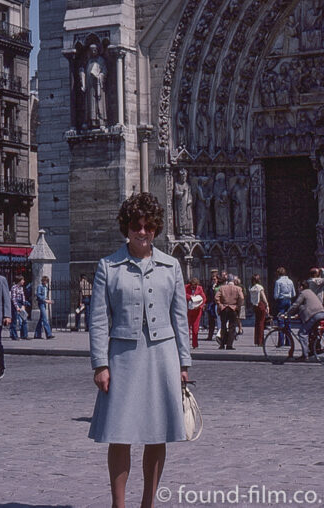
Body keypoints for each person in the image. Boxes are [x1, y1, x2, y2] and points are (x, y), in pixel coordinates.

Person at [87, 192, 191, 508]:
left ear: (156, 228)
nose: (142, 232)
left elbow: (180, 317)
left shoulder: (171, 266)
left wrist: (184, 362)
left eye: (148, 226)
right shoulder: (109, 266)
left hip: (162, 357)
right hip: (123, 358)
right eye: (136, 225)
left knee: (156, 432)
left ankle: (148, 502)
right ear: (126, 227)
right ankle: (119, 504)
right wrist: (100, 364)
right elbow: (99, 318)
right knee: (119, 433)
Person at [285, 280, 324, 361]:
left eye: (298, 287)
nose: (298, 289)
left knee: (302, 333)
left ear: (301, 287)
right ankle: (314, 349)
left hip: (314, 315)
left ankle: (305, 355)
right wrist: (298, 315)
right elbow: (306, 306)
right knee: (312, 332)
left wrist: (287, 313)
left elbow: (296, 305)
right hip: (321, 313)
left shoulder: (303, 293)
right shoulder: (310, 292)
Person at [215, 273, 244, 350]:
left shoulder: (222, 288)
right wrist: (238, 306)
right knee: (232, 327)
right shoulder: (238, 289)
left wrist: (220, 304)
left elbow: (216, 297)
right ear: (233, 281)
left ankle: (222, 344)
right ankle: (229, 345)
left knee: (223, 326)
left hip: (224, 308)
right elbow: (241, 298)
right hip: (233, 308)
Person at [272, 267, 296, 345]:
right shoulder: (290, 281)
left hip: (281, 301)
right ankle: (288, 341)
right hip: (288, 300)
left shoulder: (278, 282)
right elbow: (293, 294)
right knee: (287, 320)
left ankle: (281, 342)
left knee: (281, 320)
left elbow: (276, 294)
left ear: (278, 273)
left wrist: (276, 299)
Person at [185, 277, 206, 349]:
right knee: (187, 328)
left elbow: (204, 298)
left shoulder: (200, 288)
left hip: (197, 311)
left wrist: (200, 306)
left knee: (195, 328)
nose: (194, 287)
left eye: (195, 285)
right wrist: (190, 297)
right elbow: (183, 295)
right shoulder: (186, 287)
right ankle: (186, 344)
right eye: (192, 285)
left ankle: (195, 344)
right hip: (188, 310)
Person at [248, 273, 269, 347]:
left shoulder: (251, 287)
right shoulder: (259, 287)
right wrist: (267, 305)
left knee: (257, 323)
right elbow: (263, 297)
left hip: (255, 305)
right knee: (261, 323)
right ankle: (260, 341)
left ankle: (256, 340)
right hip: (260, 304)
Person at [9, 275, 29, 341]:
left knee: (24, 319)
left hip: (21, 303)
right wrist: (17, 307)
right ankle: (14, 336)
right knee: (14, 321)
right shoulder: (14, 287)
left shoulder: (21, 288)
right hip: (16, 304)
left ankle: (24, 335)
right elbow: (13, 299)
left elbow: (23, 297)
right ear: (19, 281)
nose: (24, 281)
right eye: (22, 280)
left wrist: (23, 305)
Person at [204, 272, 219, 341]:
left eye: (215, 279)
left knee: (219, 321)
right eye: (212, 279)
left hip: (218, 305)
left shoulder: (219, 286)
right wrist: (206, 303)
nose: (214, 280)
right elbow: (207, 295)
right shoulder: (209, 287)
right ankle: (210, 336)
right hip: (211, 305)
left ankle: (220, 335)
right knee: (211, 321)